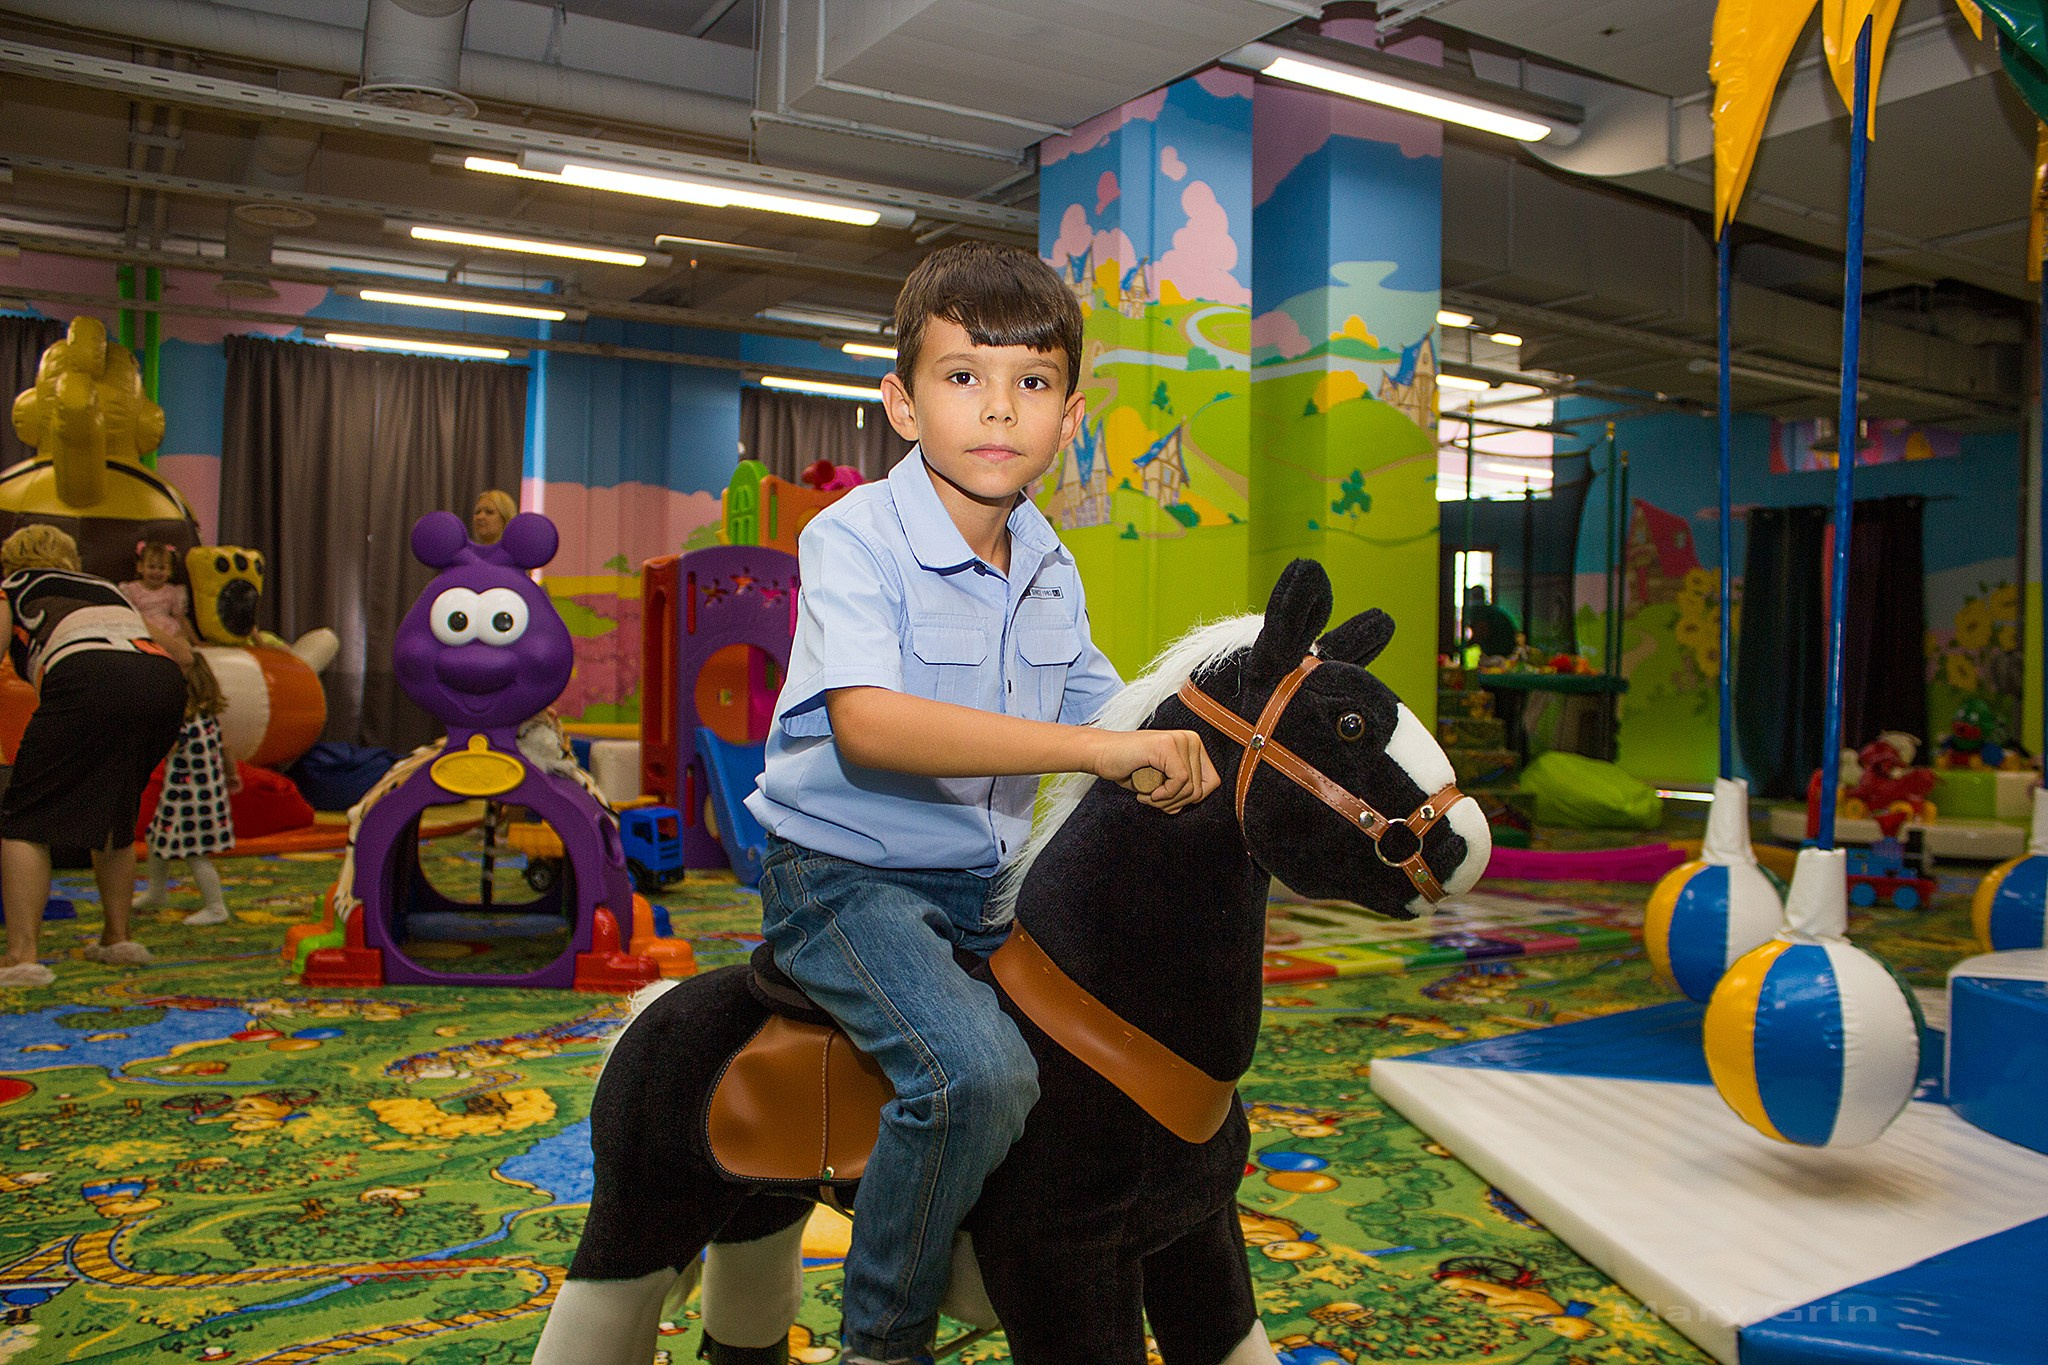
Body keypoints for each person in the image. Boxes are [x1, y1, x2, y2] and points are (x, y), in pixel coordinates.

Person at [744, 241, 1221, 1365]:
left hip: (983, 882)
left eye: (1032, 382)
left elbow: (1112, 701)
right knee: (978, 1075)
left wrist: (1222, 743)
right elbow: (871, 725)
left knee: (1103, 1055)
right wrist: (1099, 754)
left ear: (1069, 414)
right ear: (901, 405)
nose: (998, 409)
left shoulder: (1049, 558)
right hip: (846, 877)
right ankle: (883, 1337)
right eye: (963, 377)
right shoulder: (852, 535)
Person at [0, 525, 187, 987]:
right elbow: (181, 653)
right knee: (114, 814)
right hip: (162, 684)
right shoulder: (106, 591)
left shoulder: (12, 588)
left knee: (26, 818)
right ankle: (117, 938)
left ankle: (22, 956)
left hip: (86, 677)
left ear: (11, 561)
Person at [137, 653, 241, 926]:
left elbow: (164, 748)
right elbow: (226, 748)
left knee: (196, 853)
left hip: (189, 800)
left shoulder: (182, 723)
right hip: (197, 796)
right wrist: (232, 775)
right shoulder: (207, 719)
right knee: (154, 837)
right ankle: (157, 892)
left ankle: (216, 907)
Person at [119, 540, 199, 665]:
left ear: (170, 571)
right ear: (140, 567)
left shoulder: (173, 592)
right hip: (145, 628)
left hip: (170, 629)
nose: (156, 572)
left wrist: (196, 642)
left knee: (185, 649)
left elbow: (181, 618)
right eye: (151, 567)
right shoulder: (132, 589)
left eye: (162, 568)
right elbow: (127, 614)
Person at [1463, 584, 1521, 660]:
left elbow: (1481, 632)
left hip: (1500, 653)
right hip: (1506, 651)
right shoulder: (1490, 611)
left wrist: (1462, 646)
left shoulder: (1479, 611)